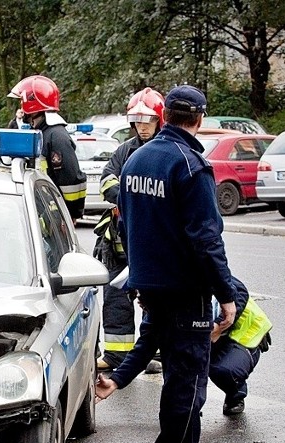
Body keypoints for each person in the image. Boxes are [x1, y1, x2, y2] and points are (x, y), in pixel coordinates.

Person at [95, 85, 237, 443]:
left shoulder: (137, 160)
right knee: (187, 380)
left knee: (157, 346)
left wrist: (118, 379)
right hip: (185, 289)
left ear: (165, 115)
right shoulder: (191, 165)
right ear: (199, 119)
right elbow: (206, 239)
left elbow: (125, 223)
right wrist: (226, 296)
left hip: (148, 284)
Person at [94, 88, 165, 373]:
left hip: (153, 249)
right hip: (120, 245)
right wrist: (132, 198)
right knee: (115, 301)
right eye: (137, 120)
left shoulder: (165, 151)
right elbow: (106, 182)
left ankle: (158, 353)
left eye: (147, 120)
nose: (142, 126)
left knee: (157, 301)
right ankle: (116, 357)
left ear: (159, 119)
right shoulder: (125, 150)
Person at [8, 75, 87, 223]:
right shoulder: (43, 133)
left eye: (22, 101)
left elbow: (71, 179)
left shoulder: (56, 136)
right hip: (45, 212)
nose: (20, 107)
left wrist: (69, 215)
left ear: (32, 104)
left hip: (55, 216)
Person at [209, 275, 272, 416]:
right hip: (211, 334)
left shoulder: (199, 264)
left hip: (243, 334)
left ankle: (236, 394)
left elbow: (239, 292)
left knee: (224, 370)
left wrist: (219, 325)